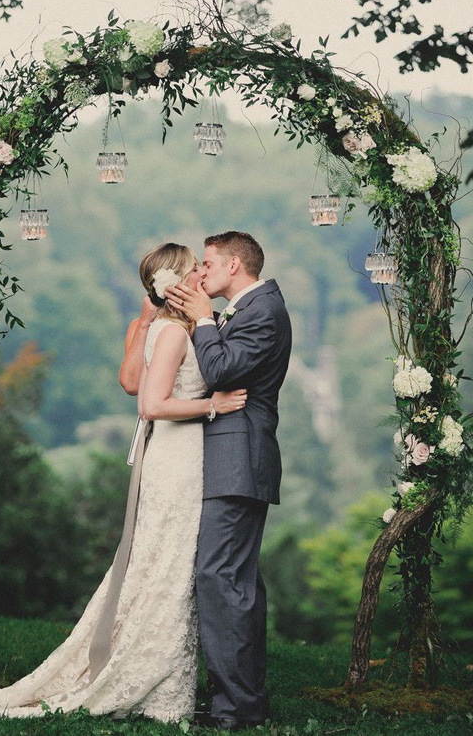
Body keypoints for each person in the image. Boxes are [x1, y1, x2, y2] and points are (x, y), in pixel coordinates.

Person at [0, 243, 246, 722]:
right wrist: (215, 405)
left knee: (167, 564)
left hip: (184, 455)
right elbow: (148, 403)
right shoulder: (169, 333)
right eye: (193, 271)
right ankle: (148, 678)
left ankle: (164, 678)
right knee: (165, 562)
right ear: (174, 285)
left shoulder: (181, 329)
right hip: (176, 453)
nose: (200, 278)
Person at [166, 231, 292, 731]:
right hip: (230, 459)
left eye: (211, 263)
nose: (202, 273)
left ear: (235, 265)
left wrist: (200, 318)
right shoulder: (246, 310)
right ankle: (241, 702)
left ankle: (235, 711)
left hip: (239, 459)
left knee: (219, 579)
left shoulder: (263, 310)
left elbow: (220, 369)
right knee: (233, 583)